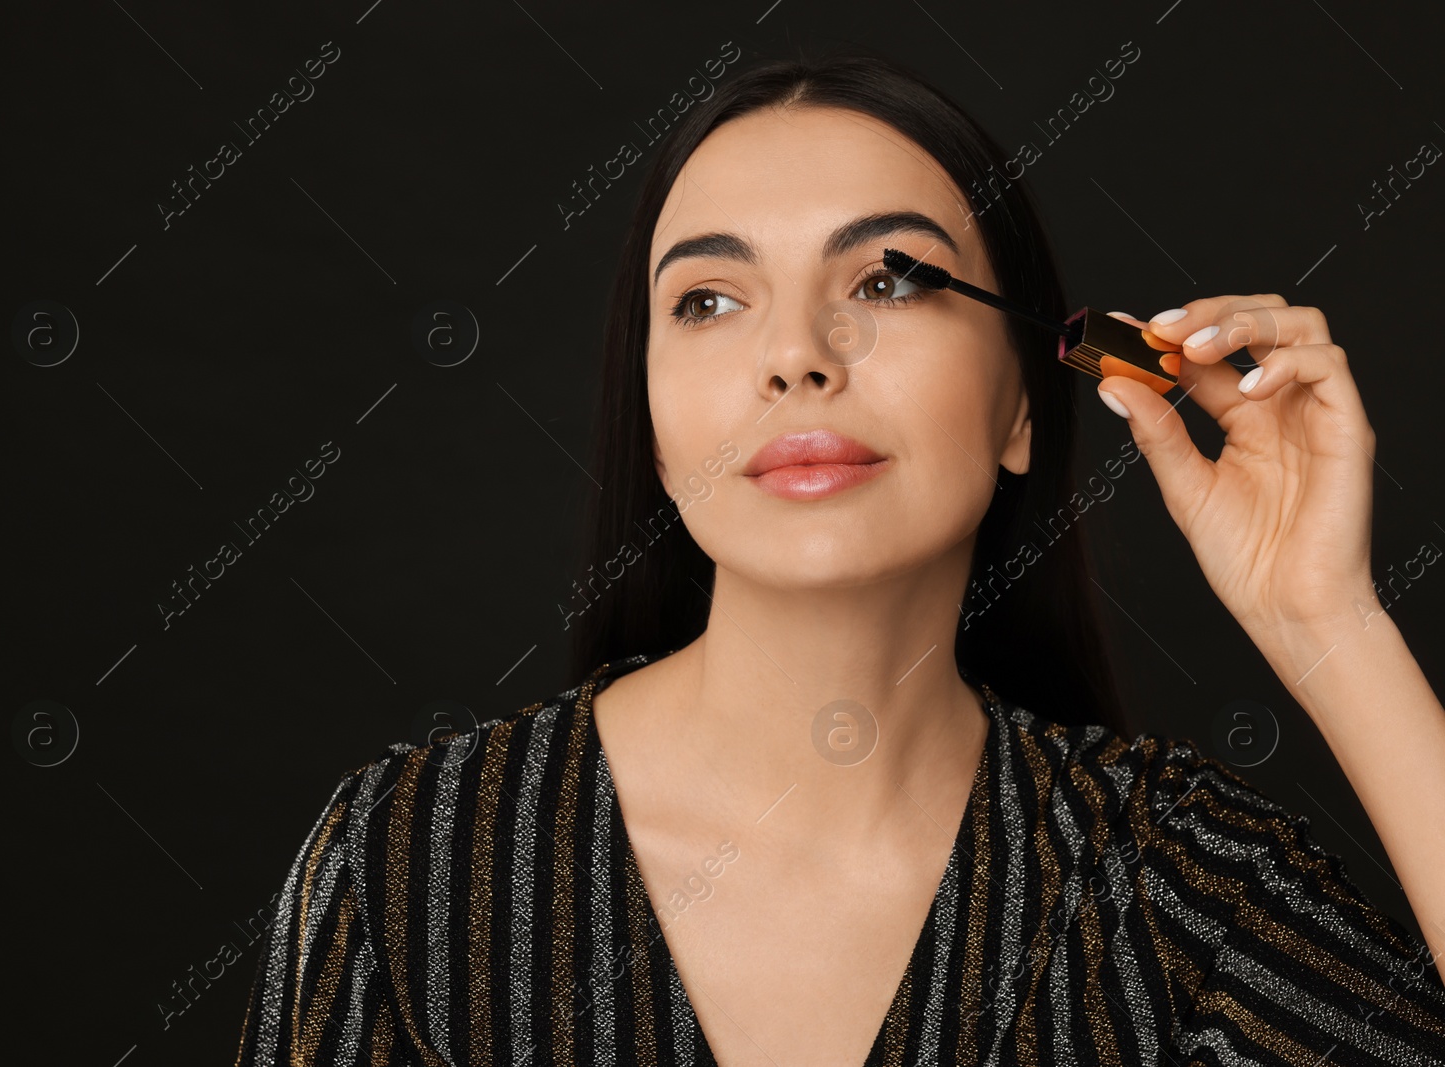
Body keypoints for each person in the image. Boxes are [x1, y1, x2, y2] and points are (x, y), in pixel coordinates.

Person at [234, 46, 1445, 1066]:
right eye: (709, 300)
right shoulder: (411, 862)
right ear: (653, 431)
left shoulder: (1178, 882)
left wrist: (1327, 624)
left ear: (1024, 405)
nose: (798, 356)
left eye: (889, 278)